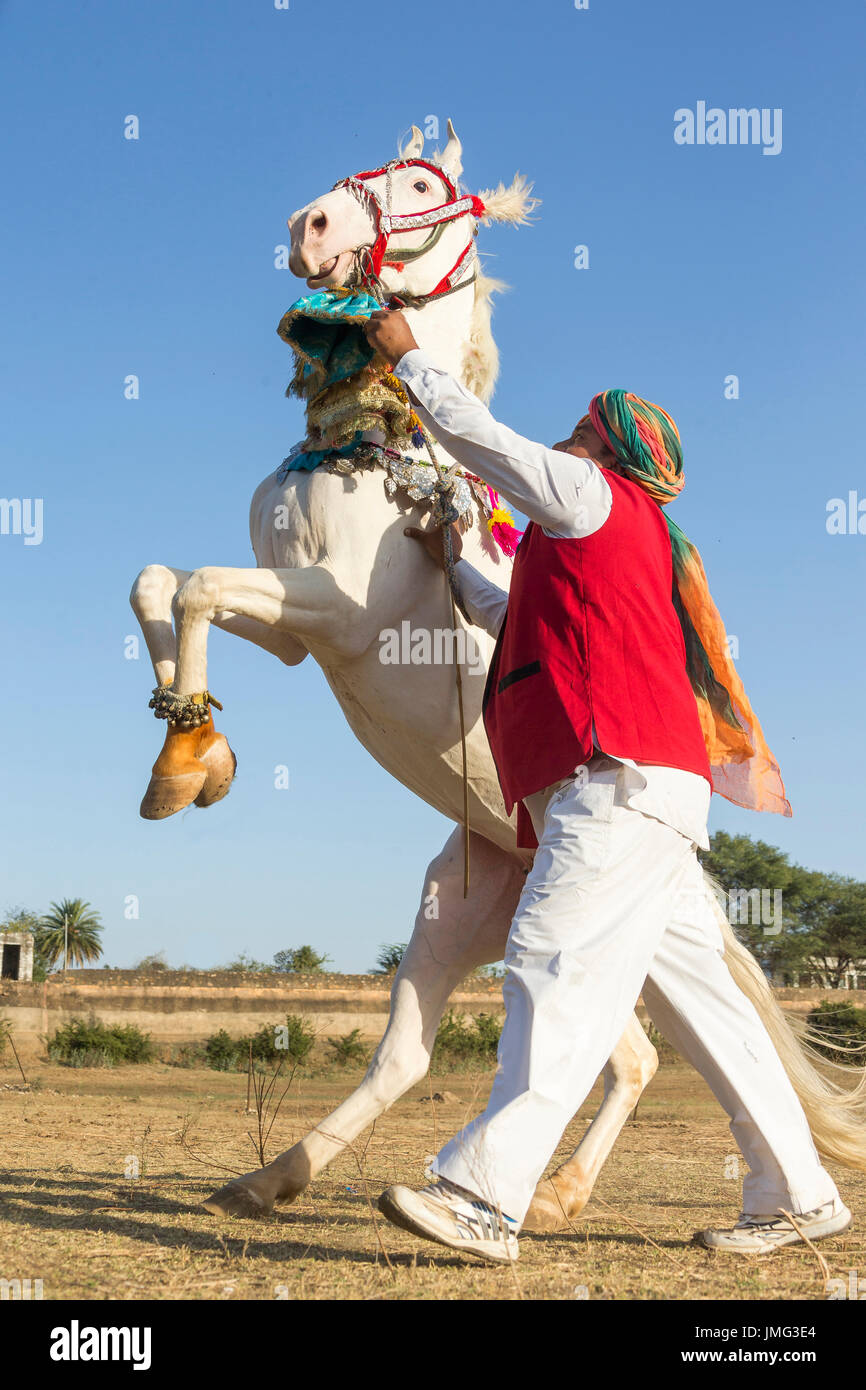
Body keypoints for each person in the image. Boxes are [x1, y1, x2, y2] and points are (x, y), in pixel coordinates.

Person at [362, 308, 851, 1265]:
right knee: (705, 1004)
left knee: (555, 961)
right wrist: (455, 567)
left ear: (603, 444)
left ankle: (483, 1196)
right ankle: (799, 1193)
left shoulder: (590, 496)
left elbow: (476, 438)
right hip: (652, 792)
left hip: (615, 784)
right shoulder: (613, 540)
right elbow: (521, 621)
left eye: (581, 425)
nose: (565, 432)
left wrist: (409, 356)